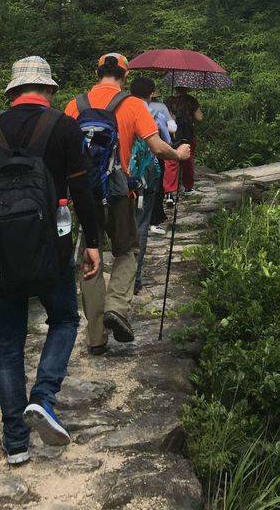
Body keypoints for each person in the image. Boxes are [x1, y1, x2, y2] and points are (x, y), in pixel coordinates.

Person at [0, 56, 101, 466]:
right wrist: (92, 241)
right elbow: (83, 191)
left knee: (7, 342)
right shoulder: (64, 126)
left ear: (12, 92)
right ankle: (43, 397)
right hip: (52, 250)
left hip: (0, 255)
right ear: (49, 91)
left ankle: (16, 442)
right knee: (64, 319)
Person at [65, 54, 190, 353]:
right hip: (119, 192)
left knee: (90, 259)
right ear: (124, 75)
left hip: (84, 194)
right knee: (127, 251)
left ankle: (96, 338)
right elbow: (157, 146)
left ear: (97, 73)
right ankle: (117, 306)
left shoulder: (74, 105)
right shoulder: (132, 105)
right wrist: (180, 155)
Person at [128, 76, 175, 295]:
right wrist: (178, 153)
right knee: (142, 224)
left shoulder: (122, 107)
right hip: (146, 175)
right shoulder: (152, 110)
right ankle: (134, 280)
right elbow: (164, 139)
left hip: (122, 176)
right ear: (151, 92)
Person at [163, 86, 203, 207]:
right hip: (188, 134)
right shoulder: (191, 100)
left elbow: (166, 117)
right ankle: (188, 188)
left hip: (172, 135)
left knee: (170, 162)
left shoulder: (168, 101)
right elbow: (199, 118)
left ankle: (169, 193)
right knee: (188, 160)